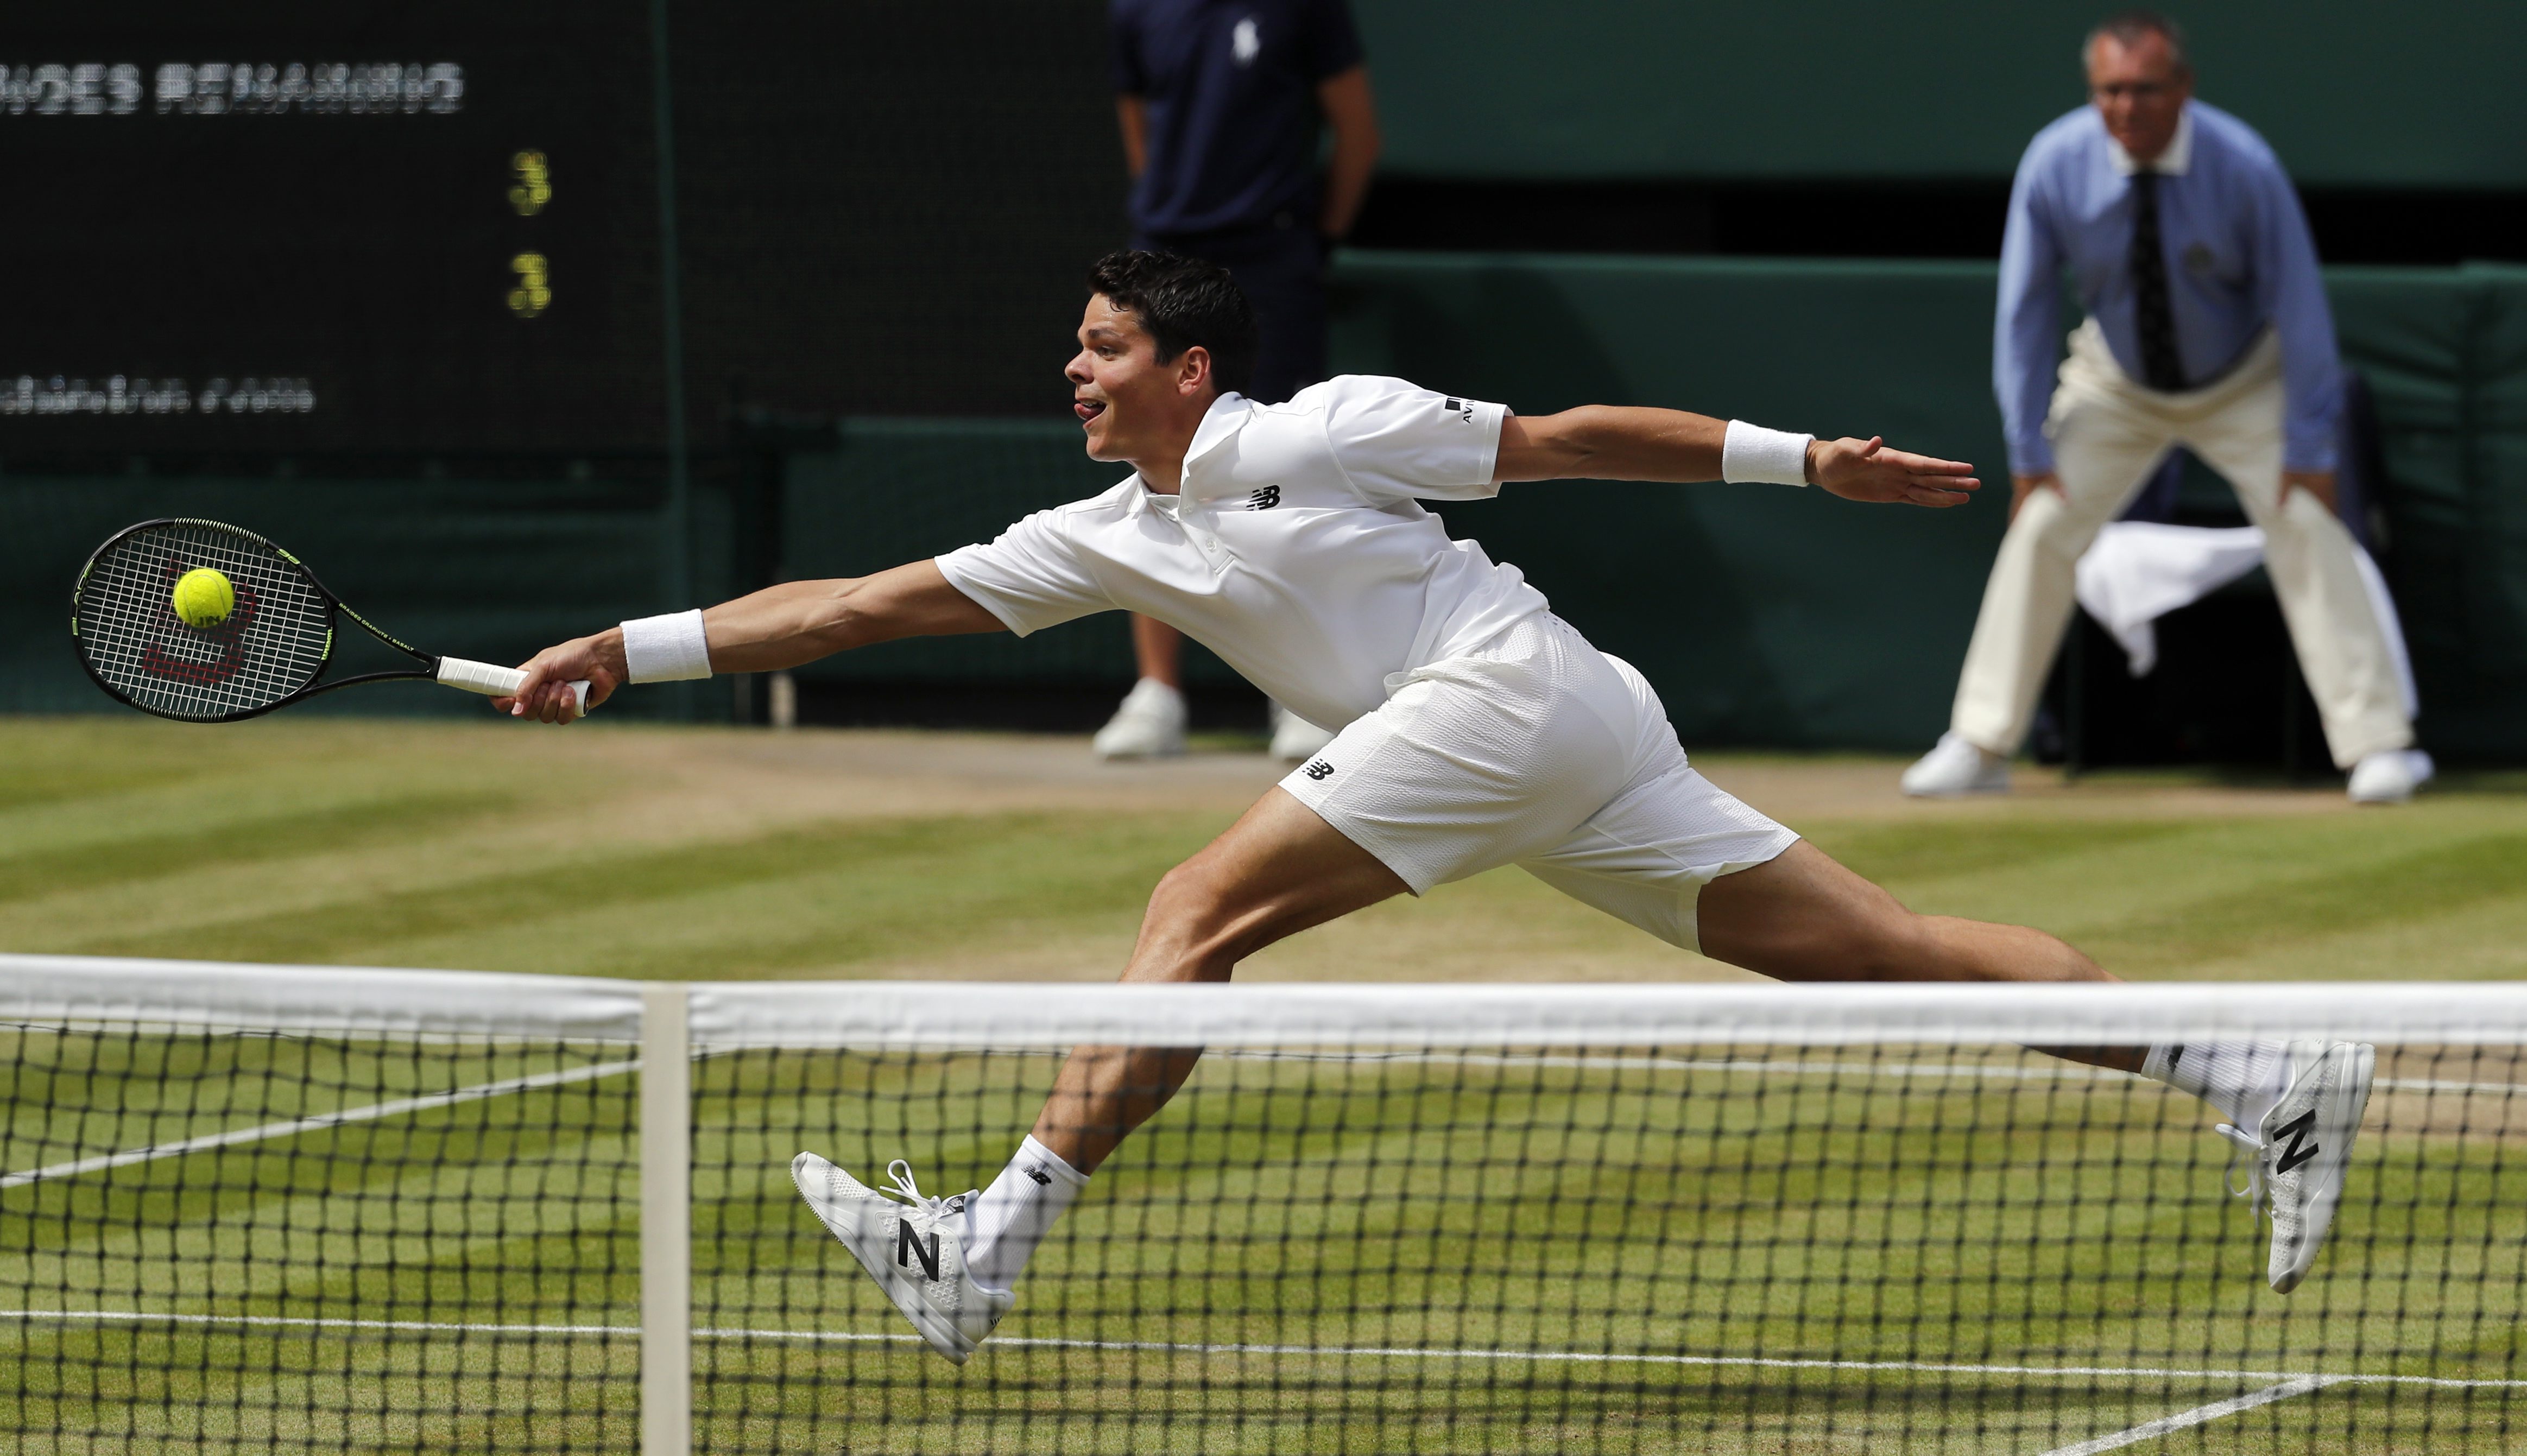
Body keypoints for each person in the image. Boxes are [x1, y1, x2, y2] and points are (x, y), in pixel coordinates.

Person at [501, 251, 2374, 1363]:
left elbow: (1564, 448)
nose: (1072, 370)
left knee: (1192, 909)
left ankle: (983, 1250)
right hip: (1560, 737)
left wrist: (1809, 464)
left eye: (1099, 346)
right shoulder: (1093, 532)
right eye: (1073, 350)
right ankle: (2263, 1074)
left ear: (1187, 367)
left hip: (1500, 695)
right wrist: (621, 641)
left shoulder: (1318, 431)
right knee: (1877, 957)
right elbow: (846, 609)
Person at [1902, 9, 2431, 804]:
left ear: (2181, 87)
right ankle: (1980, 742)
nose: (2125, 108)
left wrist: (2309, 445)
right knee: (2041, 523)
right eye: (2109, 91)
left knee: (2307, 522)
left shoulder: (2242, 164)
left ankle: (2377, 746)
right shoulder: (2054, 162)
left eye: (2144, 89)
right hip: (2114, 380)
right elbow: (2026, 312)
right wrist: (2027, 452)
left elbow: (2301, 309)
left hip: (2243, 377)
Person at [1094, 0, 1379, 762]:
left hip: (1273, 257)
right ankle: (1157, 693)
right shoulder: (1136, 10)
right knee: (1153, 458)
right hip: (1162, 253)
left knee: (1285, 464)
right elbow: (1140, 134)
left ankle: (1300, 691)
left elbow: (1357, 132)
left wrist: (1315, 242)